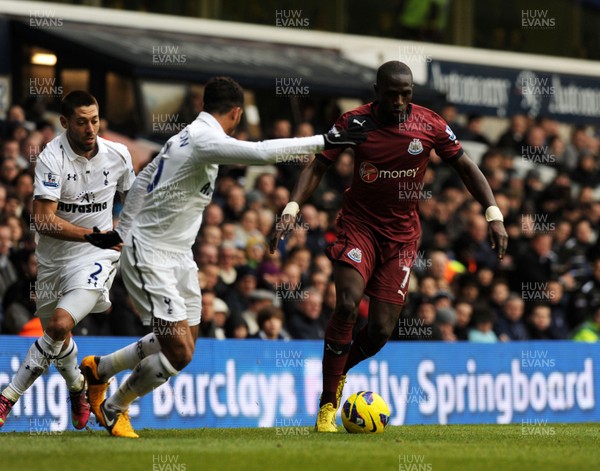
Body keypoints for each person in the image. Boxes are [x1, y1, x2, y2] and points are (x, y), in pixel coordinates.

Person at [81, 76, 366, 438]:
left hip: (179, 256)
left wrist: (121, 228)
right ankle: (113, 407)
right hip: (150, 255)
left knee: (187, 337)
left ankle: (99, 370)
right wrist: (327, 141)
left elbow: (142, 180)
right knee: (180, 352)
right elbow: (263, 152)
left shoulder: (182, 136)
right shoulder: (203, 140)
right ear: (235, 112)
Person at [270, 61, 508, 432]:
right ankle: (328, 404)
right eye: (392, 94)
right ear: (377, 91)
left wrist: (494, 213)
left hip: (401, 238)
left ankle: (339, 371)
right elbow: (318, 165)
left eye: (406, 93)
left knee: (380, 330)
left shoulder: (429, 124)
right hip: (359, 227)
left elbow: (466, 167)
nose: (399, 101)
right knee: (347, 303)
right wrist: (292, 207)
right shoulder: (355, 123)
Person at [0, 91, 135, 429]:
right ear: (64, 123)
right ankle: (78, 387)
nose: (90, 128)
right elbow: (43, 220)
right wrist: (91, 233)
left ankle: (8, 397)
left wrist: (121, 238)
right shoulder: (51, 157)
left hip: (97, 256)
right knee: (57, 337)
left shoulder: (119, 155)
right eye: (81, 121)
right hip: (53, 260)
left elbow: (133, 204)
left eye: (95, 119)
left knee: (60, 325)